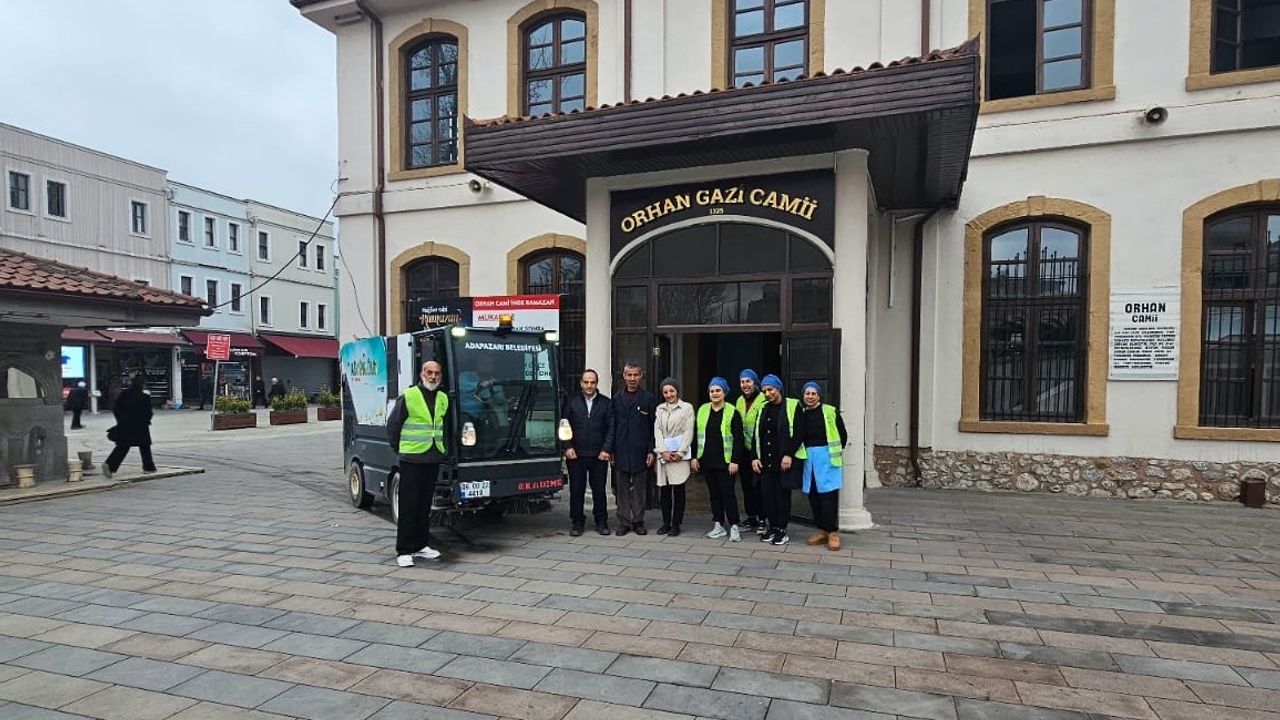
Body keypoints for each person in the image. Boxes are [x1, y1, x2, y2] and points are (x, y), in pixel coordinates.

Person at [385, 360, 448, 567]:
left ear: (440, 375)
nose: (433, 376)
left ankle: (421, 545)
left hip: (433, 457)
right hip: (411, 459)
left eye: (436, 373)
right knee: (409, 505)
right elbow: (393, 425)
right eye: (429, 372)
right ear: (422, 374)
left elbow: (442, 427)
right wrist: (399, 450)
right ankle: (404, 550)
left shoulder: (443, 398)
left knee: (424, 505)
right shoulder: (410, 395)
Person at [691, 377, 746, 542]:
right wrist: (694, 457)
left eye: (718, 390)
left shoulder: (732, 412)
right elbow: (696, 435)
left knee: (728, 494)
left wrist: (735, 460)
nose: (714, 393)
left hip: (726, 462)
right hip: (707, 461)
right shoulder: (702, 410)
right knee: (714, 495)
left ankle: (734, 525)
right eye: (712, 391)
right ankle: (718, 524)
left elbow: (739, 439)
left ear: (724, 392)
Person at [561, 369, 614, 536]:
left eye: (592, 382)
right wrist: (567, 447)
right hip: (576, 454)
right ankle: (577, 522)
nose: (589, 385)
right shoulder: (571, 401)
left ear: (597, 383)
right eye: (586, 382)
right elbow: (563, 425)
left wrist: (606, 449)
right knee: (576, 490)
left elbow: (611, 428)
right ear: (581, 383)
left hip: (599, 455)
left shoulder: (606, 403)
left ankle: (601, 522)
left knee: (599, 490)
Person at [751, 374, 802, 546]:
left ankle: (782, 529)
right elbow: (756, 434)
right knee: (767, 495)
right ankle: (772, 527)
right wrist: (754, 457)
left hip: (782, 461)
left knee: (782, 496)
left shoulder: (792, 405)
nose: (767, 394)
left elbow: (798, 433)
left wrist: (788, 454)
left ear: (778, 388)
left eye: (770, 390)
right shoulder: (763, 408)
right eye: (764, 391)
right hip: (766, 461)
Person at [798, 381, 849, 551]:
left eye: (813, 393)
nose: (810, 396)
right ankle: (822, 530)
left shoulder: (830, 411)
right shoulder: (801, 413)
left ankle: (833, 532)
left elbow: (842, 435)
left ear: (819, 396)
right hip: (809, 459)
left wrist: (831, 452)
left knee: (828, 496)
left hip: (827, 458)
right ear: (803, 396)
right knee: (813, 495)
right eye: (807, 393)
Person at [611, 362, 656, 536]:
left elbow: (653, 427)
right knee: (621, 488)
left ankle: (638, 521)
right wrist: (611, 450)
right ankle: (624, 521)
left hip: (641, 450)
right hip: (620, 449)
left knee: (639, 488)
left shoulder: (648, 399)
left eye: (635, 375)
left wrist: (651, 450)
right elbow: (612, 426)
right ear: (624, 376)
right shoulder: (616, 399)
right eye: (629, 375)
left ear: (641, 376)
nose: (632, 378)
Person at [653, 377, 694, 537]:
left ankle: (676, 524)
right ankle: (666, 523)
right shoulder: (660, 409)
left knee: (678, 490)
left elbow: (689, 431)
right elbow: (657, 430)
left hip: (679, 455)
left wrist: (680, 452)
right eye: (665, 392)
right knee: (664, 490)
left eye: (672, 391)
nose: (669, 394)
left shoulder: (687, 408)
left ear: (677, 391)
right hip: (664, 455)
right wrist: (663, 451)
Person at [101, 375, 156, 479]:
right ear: (142, 385)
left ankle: (110, 465)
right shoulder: (144, 397)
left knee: (123, 446)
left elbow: (116, 408)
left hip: (125, 425)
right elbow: (148, 412)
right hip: (140, 425)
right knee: (145, 446)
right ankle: (148, 467)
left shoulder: (124, 394)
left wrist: (120, 421)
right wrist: (146, 420)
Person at [735, 369, 766, 534]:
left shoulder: (763, 399)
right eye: (742, 382)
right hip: (744, 451)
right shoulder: (739, 401)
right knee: (746, 486)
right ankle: (751, 517)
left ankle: (762, 519)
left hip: (759, 451)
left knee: (759, 486)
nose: (745, 385)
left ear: (755, 383)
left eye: (748, 381)